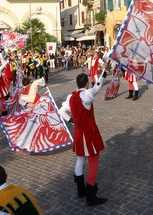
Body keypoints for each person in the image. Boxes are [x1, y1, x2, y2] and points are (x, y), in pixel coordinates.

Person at [58, 69, 108, 206]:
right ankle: (90, 195)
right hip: (89, 133)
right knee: (94, 163)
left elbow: (61, 111)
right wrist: (104, 72)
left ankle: (81, 190)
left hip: (79, 133)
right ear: (86, 84)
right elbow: (97, 88)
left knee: (80, 160)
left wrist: (71, 121)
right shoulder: (86, 95)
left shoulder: (71, 96)